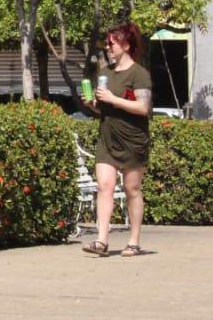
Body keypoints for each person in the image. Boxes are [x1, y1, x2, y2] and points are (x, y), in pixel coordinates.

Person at [82, 21, 152, 257]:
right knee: (104, 186)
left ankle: (133, 241)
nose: (108, 47)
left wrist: (112, 99)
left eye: (111, 43)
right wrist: (94, 105)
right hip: (107, 138)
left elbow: (143, 108)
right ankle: (101, 241)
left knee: (132, 189)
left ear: (126, 44)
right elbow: (105, 109)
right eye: (107, 43)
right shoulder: (105, 73)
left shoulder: (139, 74)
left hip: (133, 139)